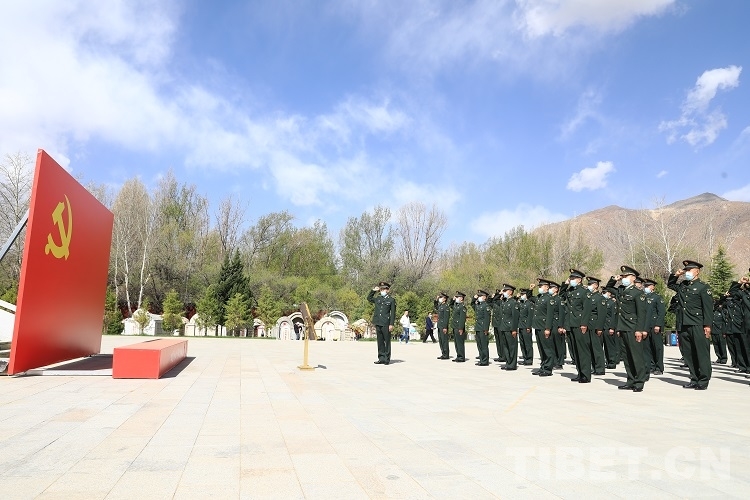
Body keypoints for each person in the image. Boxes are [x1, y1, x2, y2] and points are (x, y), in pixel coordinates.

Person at [668, 260, 714, 390]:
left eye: (689, 270)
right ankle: (694, 378)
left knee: (701, 353)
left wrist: (707, 325)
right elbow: (671, 285)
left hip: (698, 324)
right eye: (686, 270)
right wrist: (676, 275)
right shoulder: (683, 285)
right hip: (684, 324)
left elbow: (708, 308)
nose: (687, 272)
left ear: (697, 271)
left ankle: (703, 380)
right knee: (688, 354)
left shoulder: (703, 287)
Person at [607, 266, 648, 392]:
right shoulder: (621, 291)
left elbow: (642, 313)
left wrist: (639, 330)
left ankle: (639, 382)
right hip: (623, 327)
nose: (623, 278)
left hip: (633, 328)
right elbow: (609, 288)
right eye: (623, 276)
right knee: (627, 357)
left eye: (626, 276)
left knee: (636, 356)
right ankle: (630, 380)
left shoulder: (638, 293)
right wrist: (614, 279)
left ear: (633, 278)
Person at [560, 269, 593, 383]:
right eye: (570, 278)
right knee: (575, 350)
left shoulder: (584, 292)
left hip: (580, 324)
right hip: (571, 324)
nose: (571, 280)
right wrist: (565, 284)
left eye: (573, 278)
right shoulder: (570, 291)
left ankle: (586, 375)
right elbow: (561, 295)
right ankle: (580, 373)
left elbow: (587, 309)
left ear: (579, 280)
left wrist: (584, 324)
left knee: (582, 350)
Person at [368, 282, 396, 365]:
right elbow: (369, 298)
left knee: (387, 341)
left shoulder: (391, 300)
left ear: (388, 290)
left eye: (384, 289)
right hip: (378, 322)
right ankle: (381, 358)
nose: (382, 291)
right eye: (381, 289)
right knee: (380, 341)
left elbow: (393, 313)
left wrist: (391, 324)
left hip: (386, 323)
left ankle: (387, 359)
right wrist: (373, 291)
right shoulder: (378, 298)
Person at [531, 279, 555, 377]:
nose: (540, 288)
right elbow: (530, 297)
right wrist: (530, 289)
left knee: (547, 349)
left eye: (541, 286)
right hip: (538, 326)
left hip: (544, 326)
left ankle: (548, 369)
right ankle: (543, 367)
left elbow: (550, 315)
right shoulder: (540, 297)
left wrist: (548, 328)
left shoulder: (549, 298)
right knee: (541, 349)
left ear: (546, 287)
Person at [642, 278, 666, 375]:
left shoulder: (657, 297)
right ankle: (650, 366)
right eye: (645, 286)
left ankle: (659, 367)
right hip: (645, 326)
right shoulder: (643, 297)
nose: (646, 288)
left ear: (653, 287)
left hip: (654, 325)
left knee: (657, 347)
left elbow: (661, 312)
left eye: (648, 286)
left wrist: (658, 324)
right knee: (647, 347)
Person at [586, 276, 608, 376]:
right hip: (589, 325)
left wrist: (599, 328)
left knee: (597, 348)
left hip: (595, 325)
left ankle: (600, 368)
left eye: (590, 284)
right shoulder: (589, 297)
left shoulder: (600, 298)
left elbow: (602, 314)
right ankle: (594, 367)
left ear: (596, 285)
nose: (589, 286)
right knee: (590, 347)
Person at [497, 284, 520, 371]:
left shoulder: (513, 303)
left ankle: (512, 364)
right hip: (504, 327)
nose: (503, 293)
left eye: (505, 291)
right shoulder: (504, 302)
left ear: (510, 292)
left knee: (512, 347)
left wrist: (514, 329)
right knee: (506, 347)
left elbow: (515, 317)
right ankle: (508, 362)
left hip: (510, 328)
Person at [471, 290, 491, 366]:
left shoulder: (486, 306)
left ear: (484, 297)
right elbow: (472, 304)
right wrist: (473, 298)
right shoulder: (478, 305)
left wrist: (486, 329)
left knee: (484, 345)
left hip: (483, 328)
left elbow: (487, 318)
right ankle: (482, 359)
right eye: (478, 296)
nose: (478, 297)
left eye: (480, 296)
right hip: (478, 327)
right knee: (479, 345)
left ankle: (485, 361)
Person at [517, 289, 535, 365]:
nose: (521, 296)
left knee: (528, 344)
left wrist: (528, 326)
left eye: (523, 294)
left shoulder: (529, 304)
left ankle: (529, 359)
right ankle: (525, 358)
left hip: (526, 326)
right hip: (520, 326)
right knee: (522, 344)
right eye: (521, 294)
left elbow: (530, 316)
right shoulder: (521, 303)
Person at [451, 292, 468, 362]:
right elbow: (451, 305)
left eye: (457, 297)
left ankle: (461, 357)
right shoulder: (457, 306)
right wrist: (452, 300)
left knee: (460, 343)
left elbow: (462, 319)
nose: (456, 298)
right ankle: (458, 356)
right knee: (456, 343)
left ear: (461, 298)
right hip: (455, 326)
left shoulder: (462, 307)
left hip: (459, 327)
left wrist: (461, 328)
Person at [434, 292, 451, 359]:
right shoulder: (441, 306)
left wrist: (445, 327)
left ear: (445, 299)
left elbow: (446, 318)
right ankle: (443, 353)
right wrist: (436, 300)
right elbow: (436, 307)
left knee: (444, 341)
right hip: (439, 325)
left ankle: (446, 355)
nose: (440, 298)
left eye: (441, 297)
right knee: (441, 341)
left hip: (443, 326)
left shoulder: (446, 307)